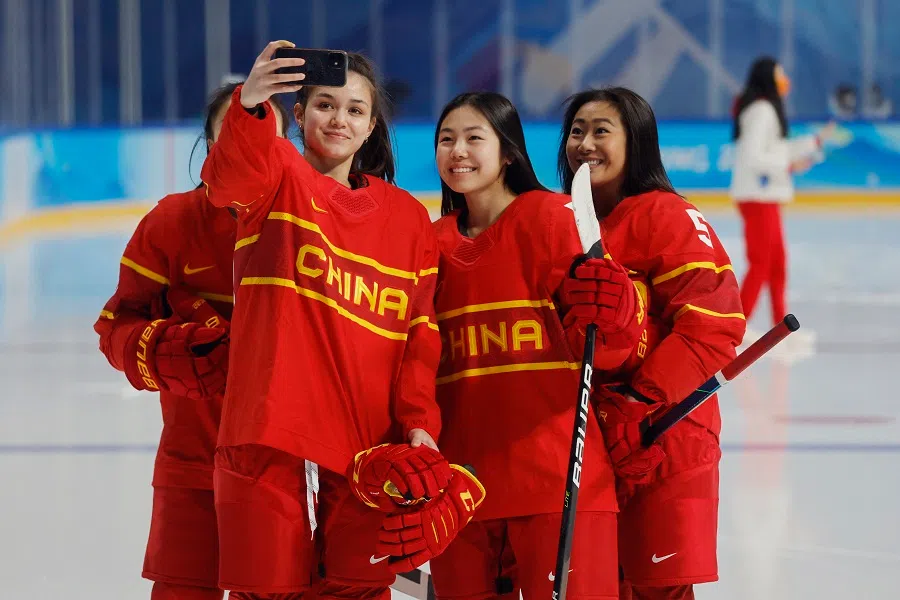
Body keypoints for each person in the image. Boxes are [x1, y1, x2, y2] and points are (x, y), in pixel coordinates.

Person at [199, 41, 482, 600]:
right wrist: (252, 103)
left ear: (372, 125)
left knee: (359, 590)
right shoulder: (274, 174)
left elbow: (419, 337)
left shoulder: (407, 219)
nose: (340, 120)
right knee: (265, 589)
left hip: (365, 449)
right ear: (299, 114)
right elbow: (229, 177)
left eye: (355, 110)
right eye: (325, 105)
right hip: (270, 434)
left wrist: (420, 421)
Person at [425, 91, 642, 600]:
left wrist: (618, 312)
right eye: (446, 139)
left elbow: (607, 348)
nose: (458, 150)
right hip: (461, 492)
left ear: (507, 153)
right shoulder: (427, 242)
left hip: (557, 483)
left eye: (474, 138)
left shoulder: (552, 217)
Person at [93, 82, 290, 600]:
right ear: (209, 143)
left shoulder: (305, 227)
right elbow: (116, 326)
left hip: (285, 470)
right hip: (189, 463)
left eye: (260, 128)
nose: (244, 140)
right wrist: (159, 351)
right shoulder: (171, 223)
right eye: (231, 129)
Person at [559, 87, 746, 600]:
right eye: (577, 131)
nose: (585, 144)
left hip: (663, 439)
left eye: (601, 131)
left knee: (657, 590)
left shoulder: (665, 215)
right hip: (591, 440)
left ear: (636, 142)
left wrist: (643, 401)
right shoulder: (562, 222)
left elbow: (713, 324)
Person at [730, 56, 835, 329]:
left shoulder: (765, 110)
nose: (785, 80)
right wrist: (787, 165)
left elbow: (776, 149)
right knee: (762, 264)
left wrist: (814, 141)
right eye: (780, 75)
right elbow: (753, 156)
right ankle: (735, 328)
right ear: (768, 79)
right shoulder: (762, 111)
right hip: (758, 198)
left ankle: (780, 326)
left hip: (765, 197)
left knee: (776, 265)